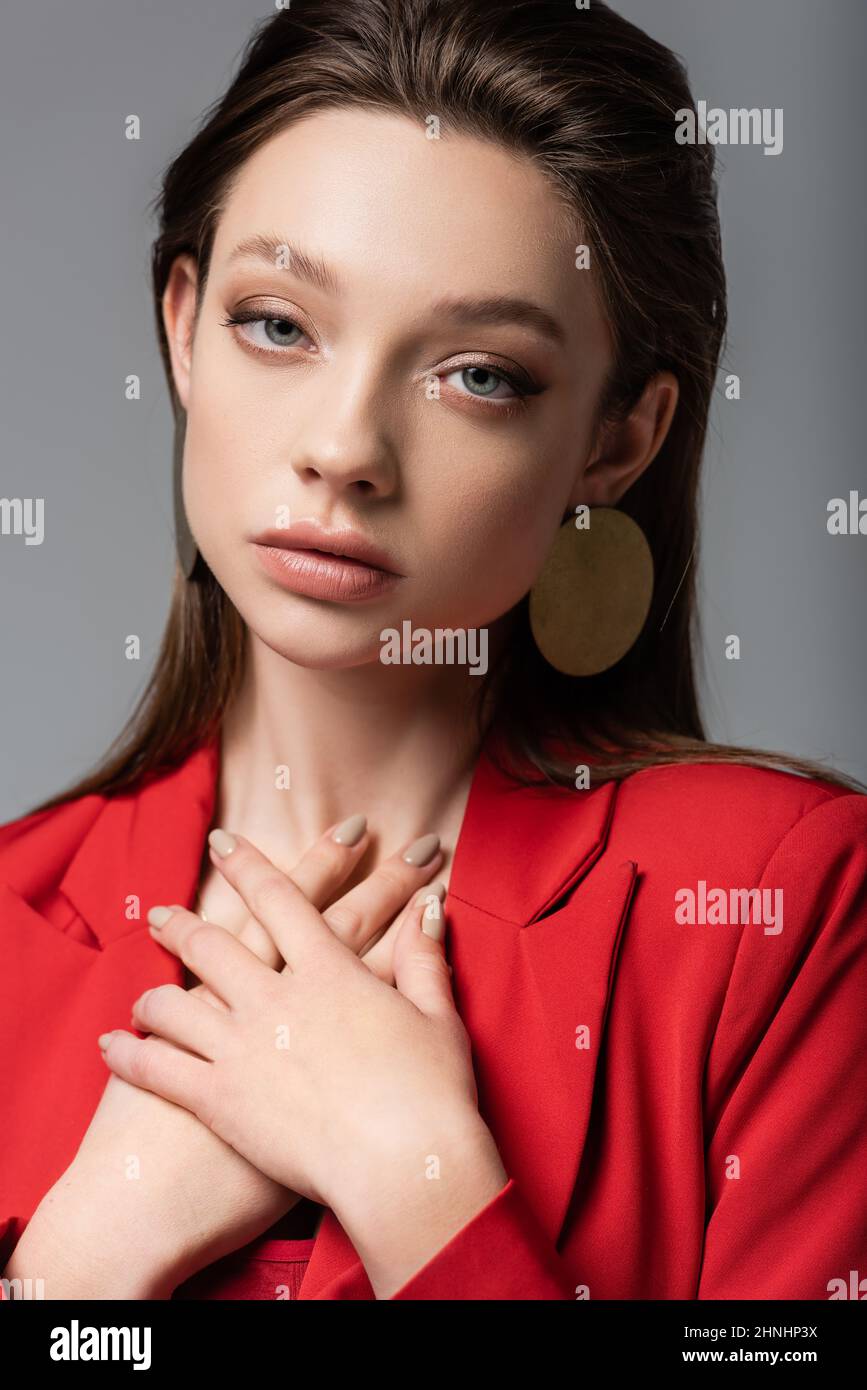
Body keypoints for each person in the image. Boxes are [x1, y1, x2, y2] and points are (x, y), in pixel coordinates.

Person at [2, 0, 865, 1301]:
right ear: (182, 326)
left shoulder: (775, 908)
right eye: (278, 323)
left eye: (479, 372)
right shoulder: (12, 926)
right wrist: (77, 1272)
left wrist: (421, 1179)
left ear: (616, 438)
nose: (344, 447)